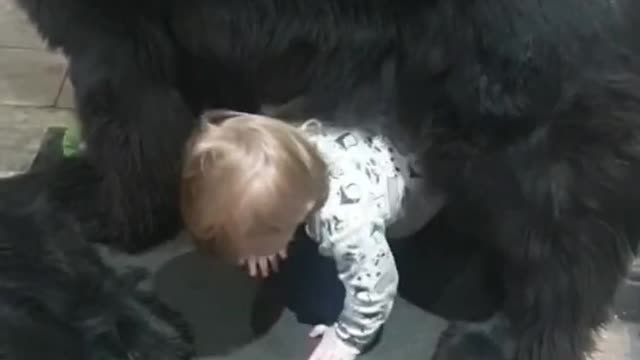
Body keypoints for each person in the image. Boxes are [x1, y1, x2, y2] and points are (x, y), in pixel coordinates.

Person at [180, 110, 442, 360]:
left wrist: (347, 339)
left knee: (324, 303)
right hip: (380, 137)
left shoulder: (347, 226)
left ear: (283, 223)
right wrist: (262, 236)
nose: (245, 260)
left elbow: (378, 285)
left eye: (249, 250)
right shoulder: (290, 147)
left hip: (420, 191)